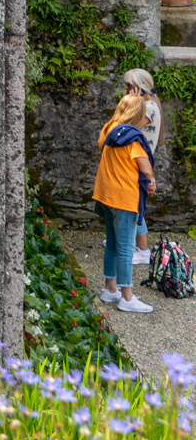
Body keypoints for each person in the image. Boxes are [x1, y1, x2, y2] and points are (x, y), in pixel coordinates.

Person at [92, 87, 156, 313]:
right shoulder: (133, 139)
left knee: (112, 244)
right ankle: (127, 297)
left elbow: (102, 148)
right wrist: (150, 179)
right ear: (137, 114)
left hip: (105, 194)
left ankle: (110, 290)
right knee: (126, 248)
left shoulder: (109, 129)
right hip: (125, 197)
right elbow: (145, 167)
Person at [121, 67, 163, 271]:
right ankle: (128, 243)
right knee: (133, 203)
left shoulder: (150, 107)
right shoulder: (145, 105)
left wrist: (132, 102)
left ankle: (143, 250)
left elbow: (127, 126)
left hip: (141, 161)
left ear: (140, 88)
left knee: (136, 206)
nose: (127, 90)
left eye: (130, 86)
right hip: (135, 159)